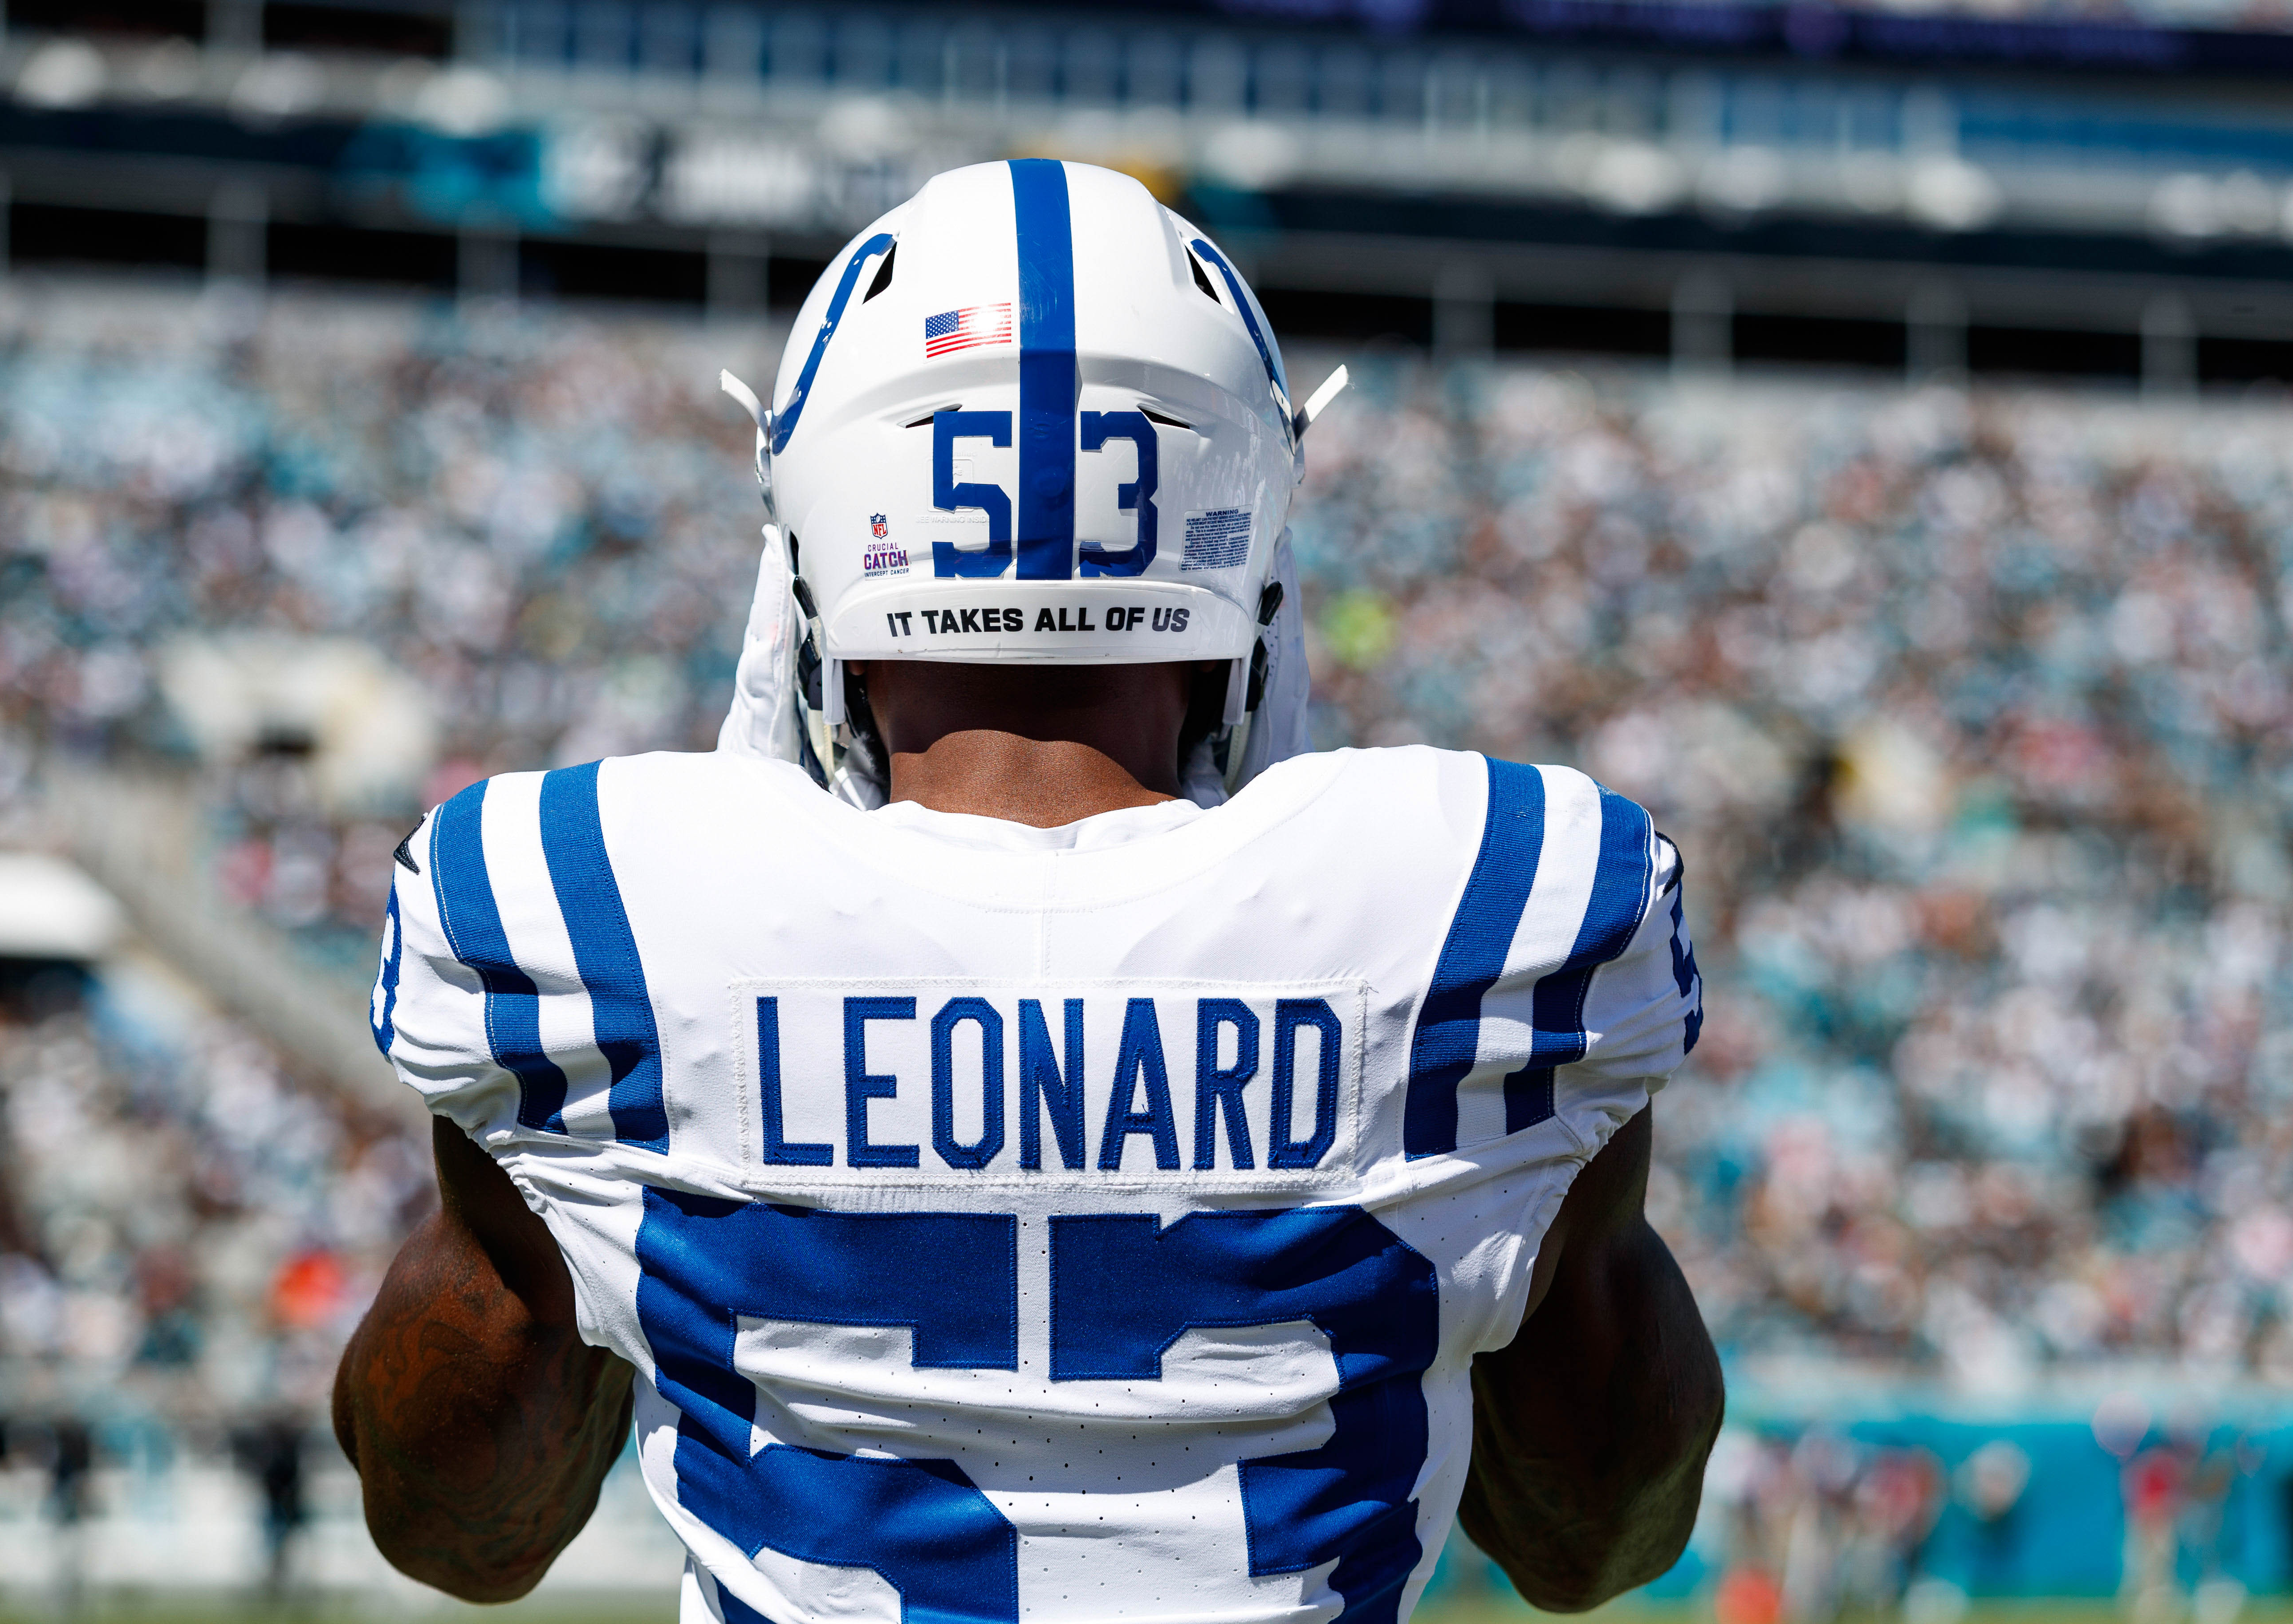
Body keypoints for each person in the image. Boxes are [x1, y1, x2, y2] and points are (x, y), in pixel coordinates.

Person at [334, 158, 1723, 1623]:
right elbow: (1596, 1536)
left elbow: (462, 1530)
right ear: (1242, 532)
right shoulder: (1493, 898)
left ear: (819, 542)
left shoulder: (589, 905)